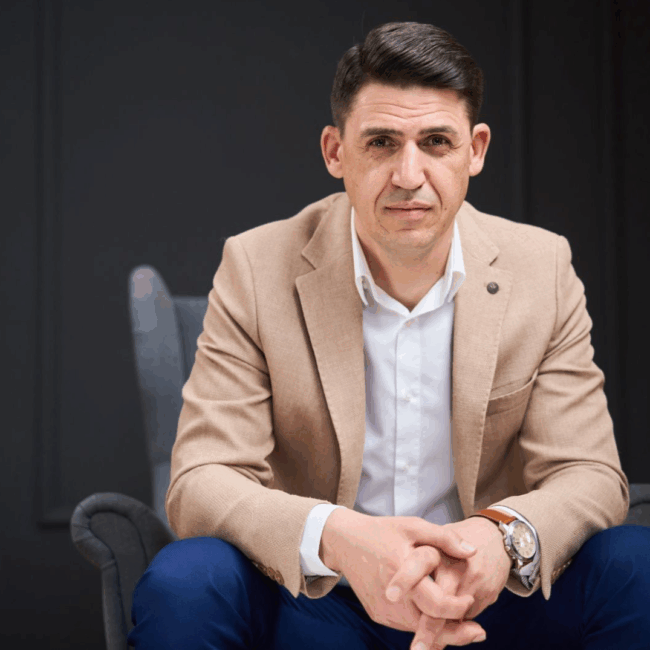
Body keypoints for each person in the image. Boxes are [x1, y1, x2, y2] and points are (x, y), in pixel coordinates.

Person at [127, 21, 650, 650]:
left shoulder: (543, 268)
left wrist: (500, 538)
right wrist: (340, 538)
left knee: (634, 563)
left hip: (489, 603)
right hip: (319, 604)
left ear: (476, 150)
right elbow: (202, 478)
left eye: (436, 142)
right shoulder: (256, 267)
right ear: (335, 152)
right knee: (186, 580)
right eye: (381, 142)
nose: (409, 174)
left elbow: (590, 474)